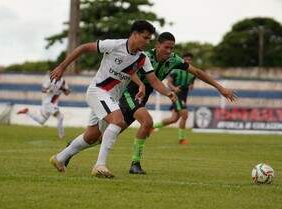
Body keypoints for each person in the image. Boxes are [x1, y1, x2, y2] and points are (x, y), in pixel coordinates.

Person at [62, 32, 237, 176]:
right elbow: (130, 71)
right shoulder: (144, 57)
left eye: (172, 48)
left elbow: (197, 72)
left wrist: (220, 88)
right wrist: (141, 84)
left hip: (141, 98)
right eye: (166, 47)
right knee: (147, 122)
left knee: (101, 138)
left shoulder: (174, 60)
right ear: (158, 45)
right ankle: (134, 164)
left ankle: (70, 149)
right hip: (128, 94)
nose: (169, 51)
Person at [49, 20, 177, 178]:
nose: (147, 41)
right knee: (118, 121)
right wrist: (62, 67)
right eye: (145, 37)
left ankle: (60, 158)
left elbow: (154, 81)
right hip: (98, 91)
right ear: (135, 34)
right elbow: (83, 48)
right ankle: (100, 165)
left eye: (149, 38)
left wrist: (168, 92)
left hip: (111, 99)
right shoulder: (114, 45)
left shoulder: (143, 58)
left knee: (91, 137)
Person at [153, 52, 196, 145]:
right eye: (186, 59)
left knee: (174, 119)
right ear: (183, 60)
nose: (188, 61)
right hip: (177, 96)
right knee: (185, 115)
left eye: (190, 59)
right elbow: (169, 83)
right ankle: (181, 139)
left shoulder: (192, 73)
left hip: (184, 97)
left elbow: (192, 83)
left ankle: (152, 127)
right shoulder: (176, 71)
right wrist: (174, 88)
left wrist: (191, 85)